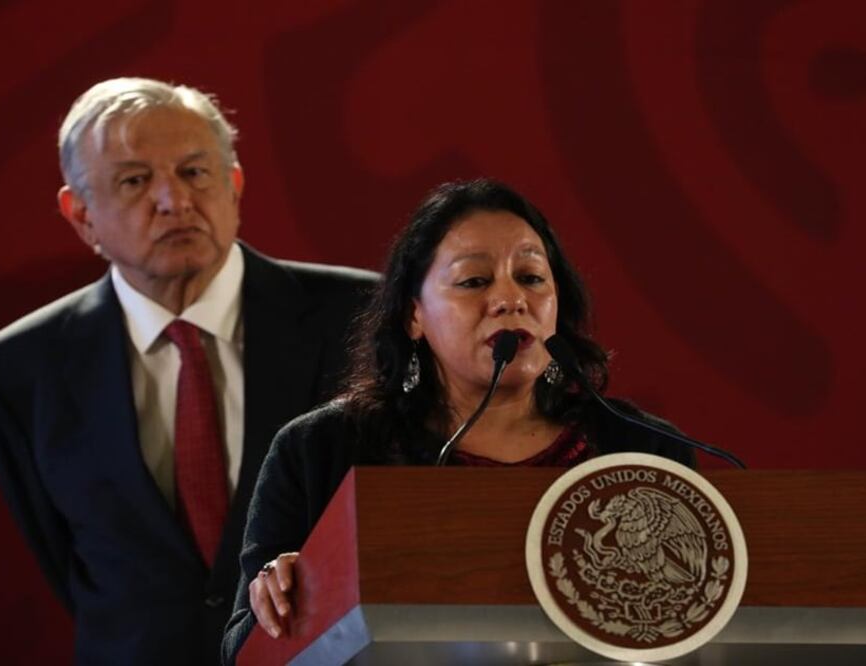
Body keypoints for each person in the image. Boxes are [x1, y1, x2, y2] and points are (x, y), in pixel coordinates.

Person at [0, 77, 377, 665]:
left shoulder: (359, 318)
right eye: (135, 181)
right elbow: (67, 562)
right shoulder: (18, 370)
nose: (174, 200)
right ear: (80, 214)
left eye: (195, 172)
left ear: (234, 184)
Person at [220, 178, 695, 662]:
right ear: (414, 317)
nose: (511, 300)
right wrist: (296, 602)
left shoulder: (647, 452)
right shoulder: (321, 449)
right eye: (474, 281)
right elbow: (242, 652)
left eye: (531, 277)